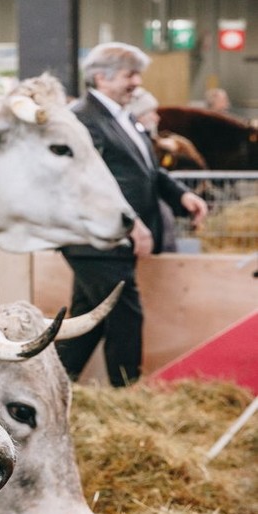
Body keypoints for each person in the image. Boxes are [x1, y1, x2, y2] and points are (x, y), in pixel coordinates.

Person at [56, 42, 208, 387]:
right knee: (126, 314)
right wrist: (130, 224)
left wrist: (182, 196)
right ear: (101, 77)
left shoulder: (126, 119)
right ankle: (127, 397)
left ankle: (58, 384)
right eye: (130, 75)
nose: (137, 82)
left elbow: (149, 172)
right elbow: (91, 183)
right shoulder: (82, 120)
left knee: (89, 318)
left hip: (113, 240)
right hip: (97, 239)